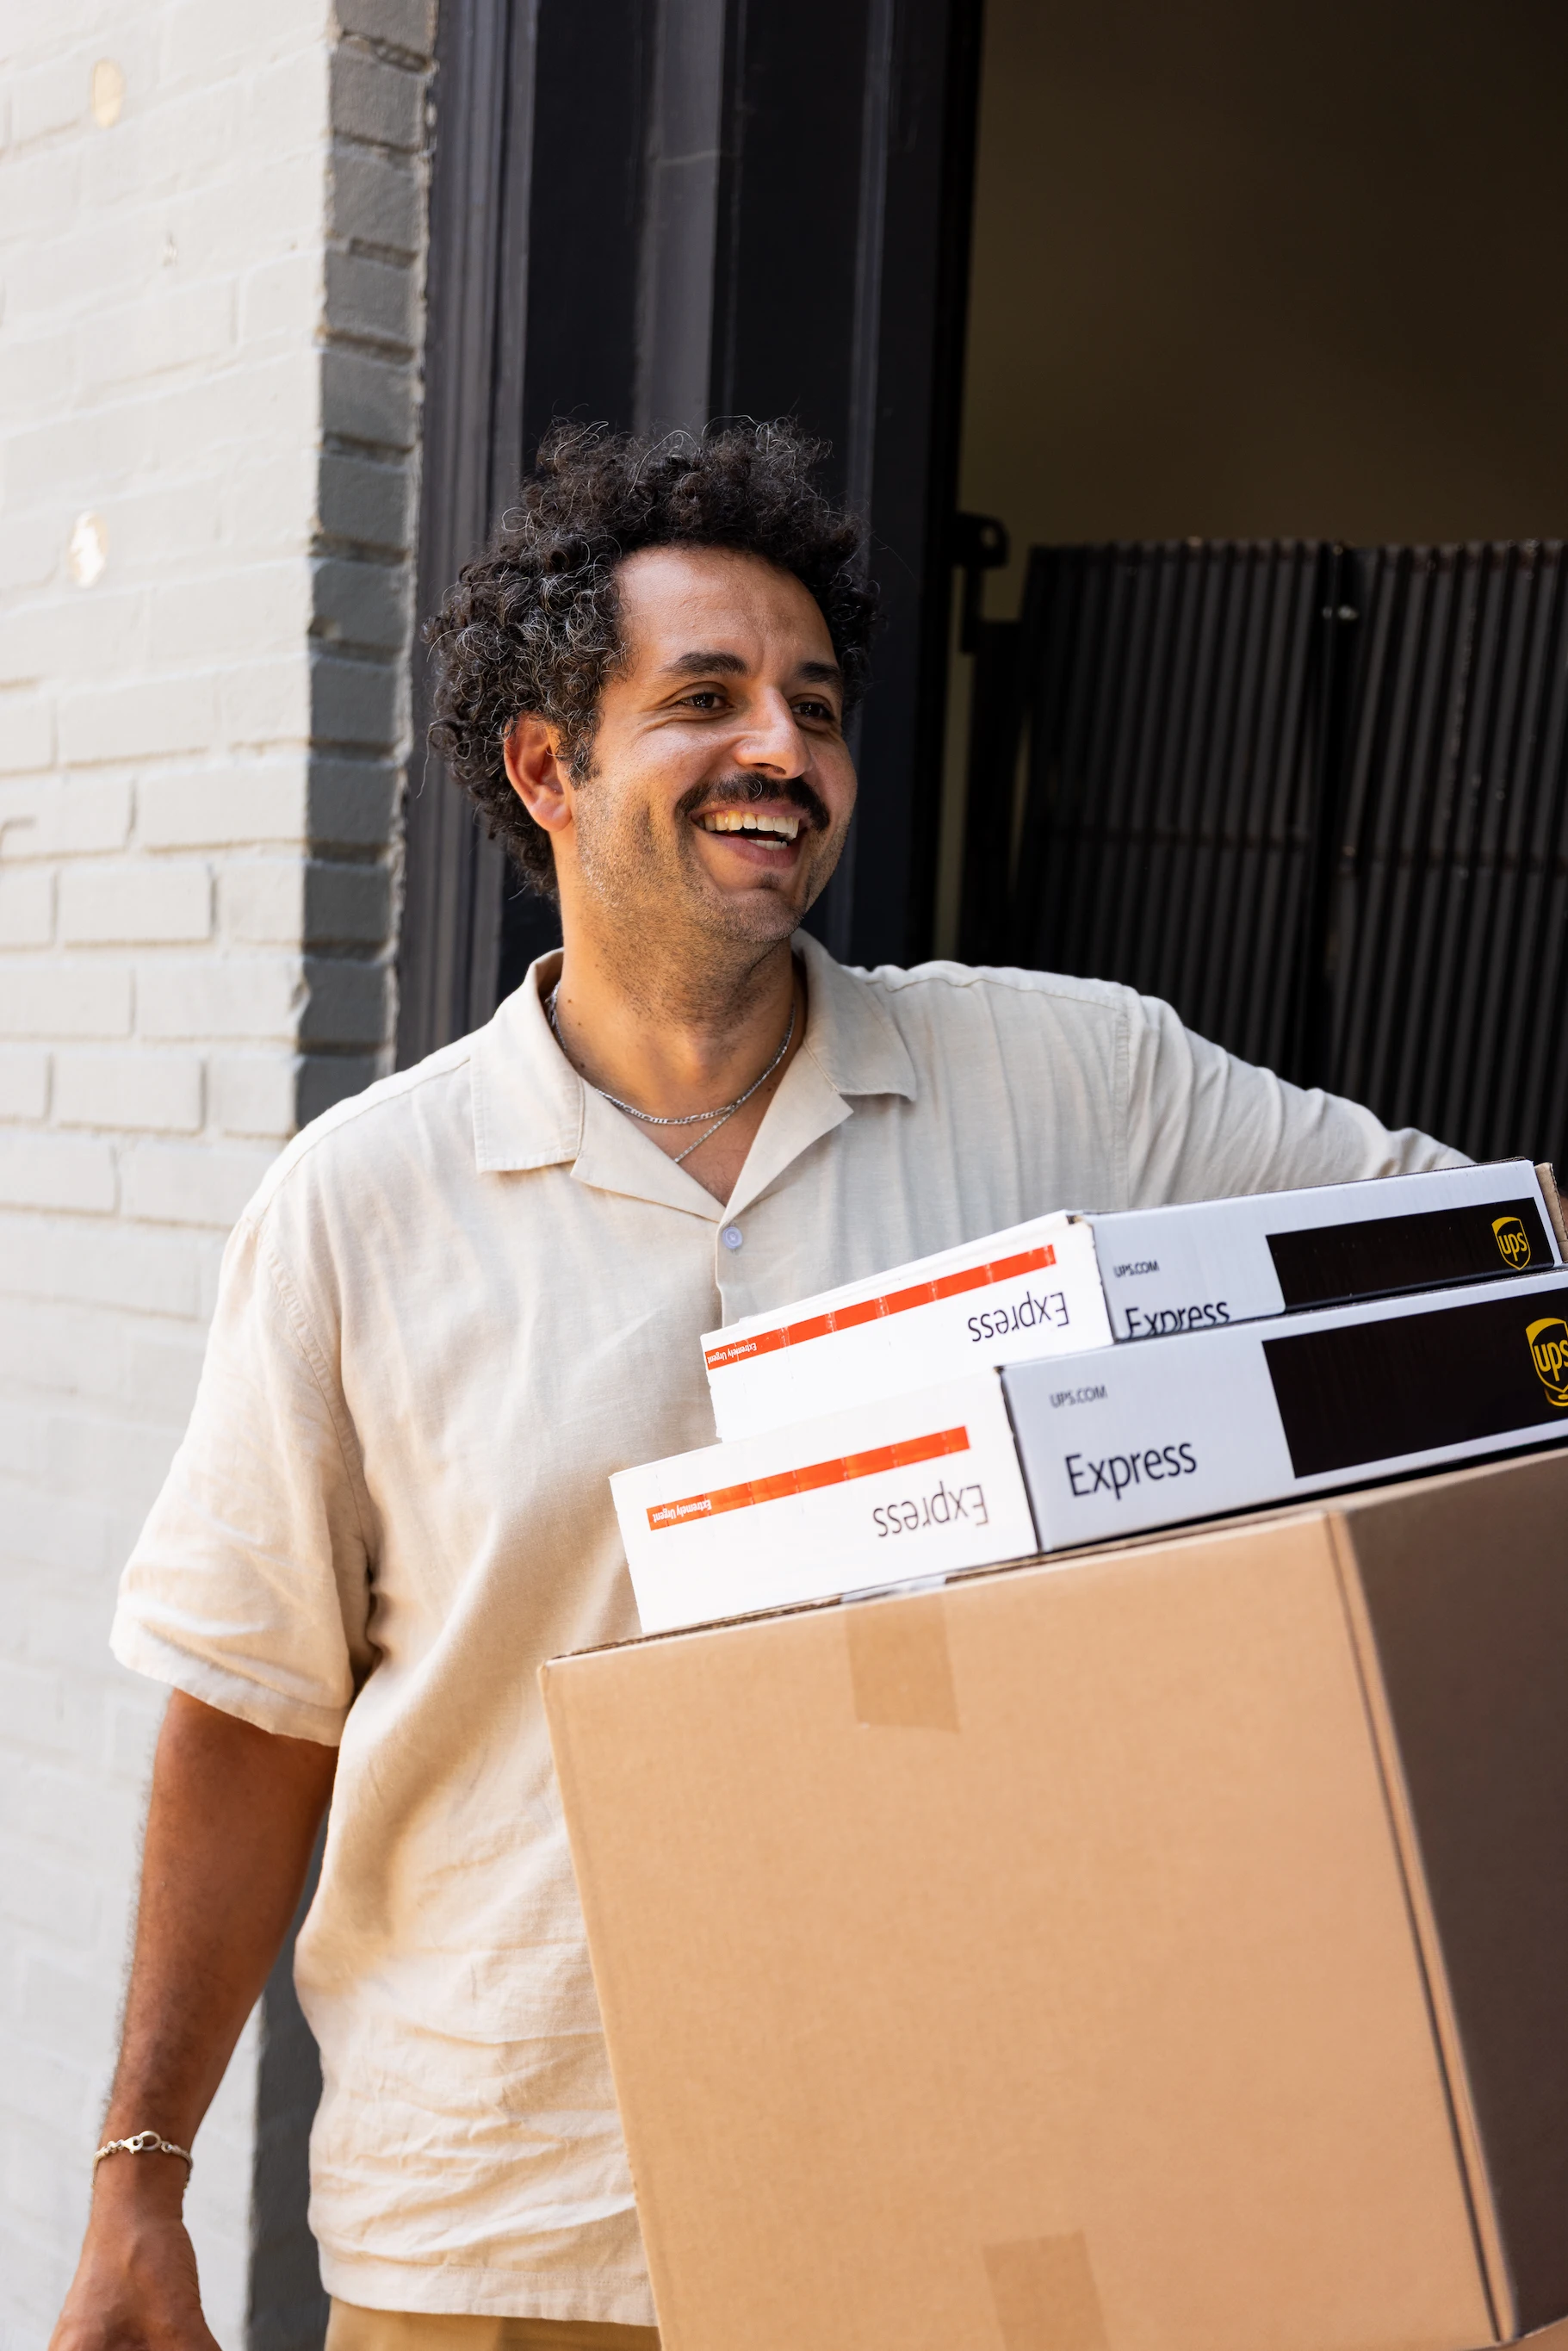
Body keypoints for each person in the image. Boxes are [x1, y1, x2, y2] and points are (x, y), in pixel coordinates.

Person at [53, 424, 1461, 2351]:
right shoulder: (360, 1206)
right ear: (546, 766)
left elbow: (1457, 1262)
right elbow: (249, 1715)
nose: (781, 753)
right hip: (505, 2230)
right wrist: (140, 2178)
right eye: (702, 700)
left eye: (812, 703)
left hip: (969, 2204)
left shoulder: (1073, 1082)